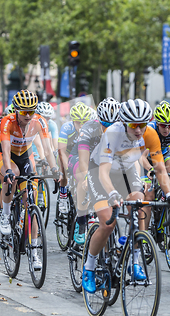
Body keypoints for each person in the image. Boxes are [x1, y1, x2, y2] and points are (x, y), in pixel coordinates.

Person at [82, 99, 170, 293]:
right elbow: (103, 173)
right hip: (100, 172)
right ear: (125, 123)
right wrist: (113, 194)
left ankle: (135, 262)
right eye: (134, 125)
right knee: (107, 223)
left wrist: (168, 194)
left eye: (142, 125)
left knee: (139, 203)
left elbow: (160, 168)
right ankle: (89, 267)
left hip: (126, 171)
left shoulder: (150, 133)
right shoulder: (113, 133)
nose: (138, 130)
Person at [0, 90, 59, 269]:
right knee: (12, 176)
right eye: (24, 112)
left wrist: (54, 169)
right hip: (6, 156)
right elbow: (6, 151)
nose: (28, 116)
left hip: (25, 155)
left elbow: (47, 149)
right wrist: (7, 170)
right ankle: (6, 216)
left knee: (32, 202)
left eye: (31, 111)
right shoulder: (8, 122)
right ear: (16, 110)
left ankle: (34, 252)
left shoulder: (39, 121)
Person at [69, 97, 121, 245]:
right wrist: (86, 177)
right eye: (105, 124)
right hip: (80, 157)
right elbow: (83, 160)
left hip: (102, 160)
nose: (107, 128)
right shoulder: (88, 128)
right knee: (82, 175)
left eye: (112, 125)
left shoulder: (121, 130)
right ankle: (81, 219)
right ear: (99, 120)